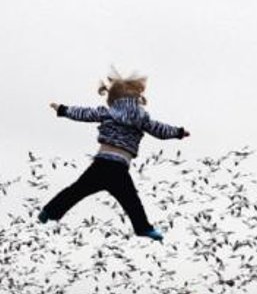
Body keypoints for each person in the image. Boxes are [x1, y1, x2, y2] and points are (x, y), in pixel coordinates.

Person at [39, 68, 190, 242]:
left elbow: (83, 113)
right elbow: (161, 130)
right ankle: (143, 228)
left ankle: (49, 211)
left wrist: (62, 109)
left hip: (101, 164)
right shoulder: (142, 119)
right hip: (119, 168)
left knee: (75, 191)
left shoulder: (108, 112)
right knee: (132, 202)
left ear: (114, 98)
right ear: (136, 99)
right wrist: (179, 132)